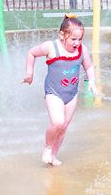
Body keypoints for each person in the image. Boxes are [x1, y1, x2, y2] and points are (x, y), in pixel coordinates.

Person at [23, 14, 96, 166]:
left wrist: (92, 81)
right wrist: (29, 73)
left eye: (80, 39)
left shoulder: (82, 50)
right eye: (73, 39)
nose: (77, 43)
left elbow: (89, 66)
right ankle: (48, 147)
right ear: (62, 35)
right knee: (57, 122)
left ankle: (53, 156)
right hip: (54, 93)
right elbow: (32, 53)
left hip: (71, 94)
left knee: (63, 128)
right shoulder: (52, 47)